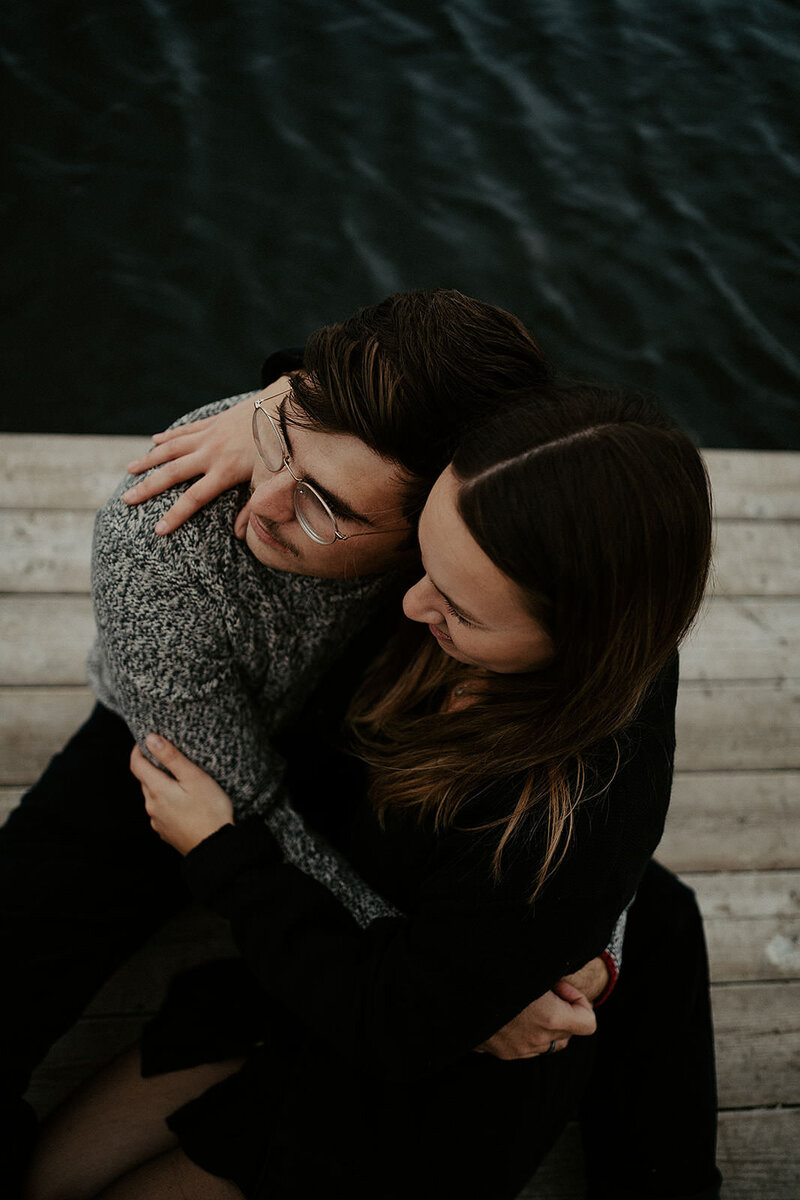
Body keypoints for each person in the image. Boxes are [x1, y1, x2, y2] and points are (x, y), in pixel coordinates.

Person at [24, 383, 717, 1200]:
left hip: (405, 1086)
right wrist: (277, 417)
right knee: (43, 1181)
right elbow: (435, 359)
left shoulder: (558, 826)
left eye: (458, 608)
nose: (411, 600)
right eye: (426, 558)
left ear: (579, 641)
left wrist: (223, 854)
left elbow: (395, 1023)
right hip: (309, 966)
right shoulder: (498, 532)